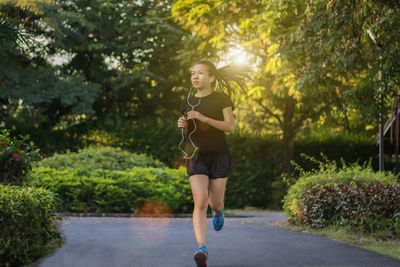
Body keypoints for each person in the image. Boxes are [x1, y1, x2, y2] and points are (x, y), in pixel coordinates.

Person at [177, 59, 250, 267]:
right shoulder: (187, 101)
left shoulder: (221, 98)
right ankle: (201, 248)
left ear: (211, 78)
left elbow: (230, 127)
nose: (195, 76)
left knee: (215, 204)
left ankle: (218, 213)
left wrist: (203, 117)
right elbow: (188, 130)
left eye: (200, 73)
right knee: (200, 200)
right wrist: (182, 124)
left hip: (218, 154)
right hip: (194, 155)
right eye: (193, 72)